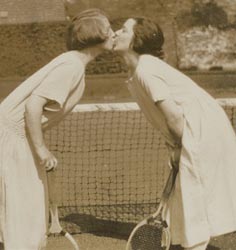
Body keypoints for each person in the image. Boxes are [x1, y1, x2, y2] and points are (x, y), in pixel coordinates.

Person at [113, 17, 236, 250]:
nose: (116, 33)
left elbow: (174, 116)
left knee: (193, 188)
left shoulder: (146, 70)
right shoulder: (141, 69)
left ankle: (195, 245)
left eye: (123, 30)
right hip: (198, 126)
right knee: (189, 189)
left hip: (201, 128)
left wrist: (181, 147)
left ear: (137, 39)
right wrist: (175, 145)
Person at [0, 8, 114, 250]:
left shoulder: (72, 63)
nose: (114, 34)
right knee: (25, 214)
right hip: (12, 136)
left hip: (14, 134)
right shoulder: (71, 66)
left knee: (19, 210)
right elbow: (33, 106)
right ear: (96, 36)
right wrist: (42, 150)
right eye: (109, 30)